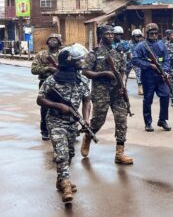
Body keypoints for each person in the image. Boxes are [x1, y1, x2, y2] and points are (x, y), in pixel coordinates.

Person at [36, 45, 91, 203]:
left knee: (70, 154)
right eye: (79, 59)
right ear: (70, 61)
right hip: (55, 120)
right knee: (61, 153)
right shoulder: (52, 80)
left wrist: (86, 119)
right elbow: (40, 99)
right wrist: (58, 106)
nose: (82, 61)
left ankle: (61, 179)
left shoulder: (82, 80)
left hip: (72, 123)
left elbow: (87, 100)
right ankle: (66, 185)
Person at [81, 26, 133, 164]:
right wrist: (103, 74)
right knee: (98, 120)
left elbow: (122, 70)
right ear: (101, 36)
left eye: (112, 33)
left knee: (122, 120)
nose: (110, 36)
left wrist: (123, 85)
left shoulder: (118, 53)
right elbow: (85, 71)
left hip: (117, 91)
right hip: (100, 92)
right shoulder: (94, 53)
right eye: (107, 33)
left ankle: (119, 153)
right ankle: (88, 137)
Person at [132, 23, 172, 132]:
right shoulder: (141, 46)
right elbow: (135, 60)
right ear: (147, 34)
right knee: (148, 99)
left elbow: (167, 59)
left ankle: (162, 120)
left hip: (160, 75)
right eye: (151, 34)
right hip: (148, 76)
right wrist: (149, 65)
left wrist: (166, 71)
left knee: (165, 95)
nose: (154, 35)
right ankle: (148, 123)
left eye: (156, 33)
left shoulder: (161, 44)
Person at [31, 33, 63, 140]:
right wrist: (47, 69)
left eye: (55, 39)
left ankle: (65, 129)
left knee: (64, 106)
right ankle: (45, 130)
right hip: (45, 83)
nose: (53, 41)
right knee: (45, 107)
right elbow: (34, 70)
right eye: (50, 39)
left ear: (59, 42)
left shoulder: (63, 54)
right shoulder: (41, 55)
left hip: (61, 83)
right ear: (47, 42)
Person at [127, 29, 144, 95]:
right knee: (124, 74)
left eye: (139, 36)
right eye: (136, 36)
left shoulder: (141, 44)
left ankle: (140, 89)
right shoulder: (128, 43)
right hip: (129, 61)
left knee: (139, 74)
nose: (138, 38)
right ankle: (123, 88)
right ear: (133, 36)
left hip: (137, 61)